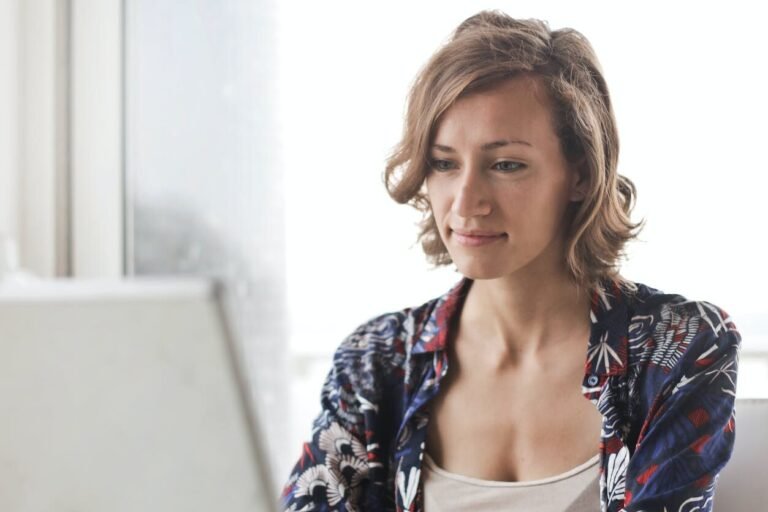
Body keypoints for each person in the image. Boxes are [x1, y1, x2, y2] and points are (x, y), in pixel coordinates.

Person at [281, 10, 740, 512]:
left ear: (581, 175)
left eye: (506, 165)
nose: (465, 202)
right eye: (444, 163)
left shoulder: (678, 349)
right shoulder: (375, 363)